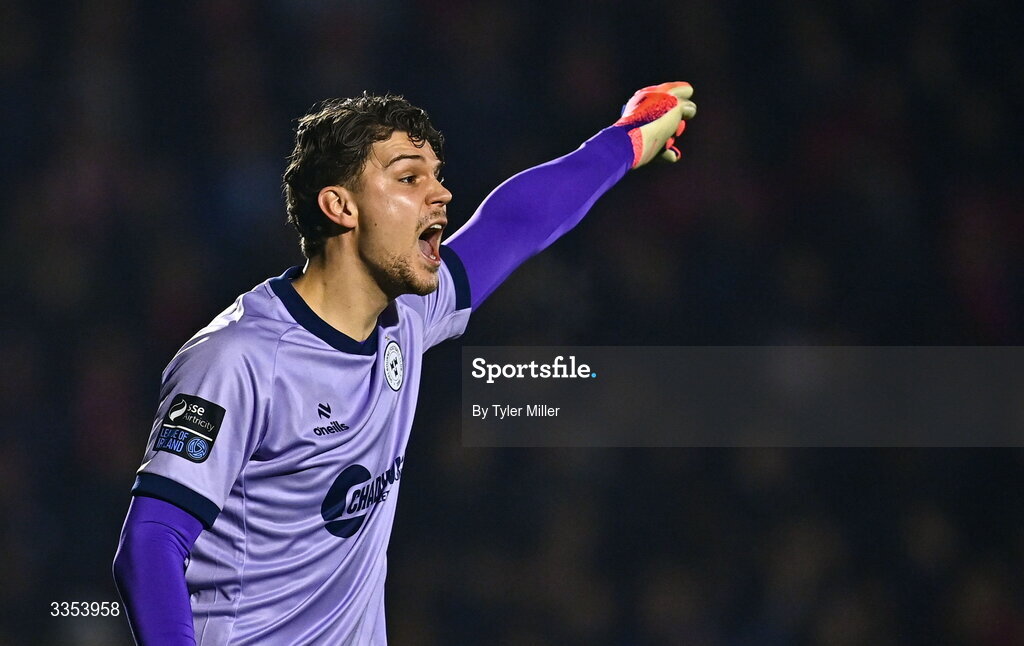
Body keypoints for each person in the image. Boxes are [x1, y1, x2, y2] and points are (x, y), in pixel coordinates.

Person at [112, 82, 697, 644]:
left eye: (437, 177)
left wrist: (626, 140)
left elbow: (514, 224)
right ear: (340, 206)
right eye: (409, 178)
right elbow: (152, 540)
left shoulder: (408, 317)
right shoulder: (238, 360)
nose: (440, 195)